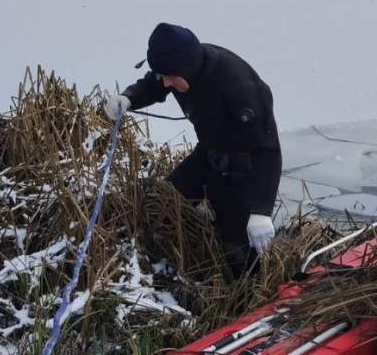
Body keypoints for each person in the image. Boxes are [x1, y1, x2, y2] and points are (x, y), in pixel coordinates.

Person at [106, 22, 281, 279]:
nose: (165, 82)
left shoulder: (238, 87)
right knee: (163, 203)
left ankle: (247, 293)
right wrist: (129, 97)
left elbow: (267, 149)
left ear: (186, 68)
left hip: (243, 169)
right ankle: (182, 257)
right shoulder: (175, 67)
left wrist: (260, 211)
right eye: (162, 75)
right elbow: (154, 84)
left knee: (239, 251)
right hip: (208, 154)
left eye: (169, 76)